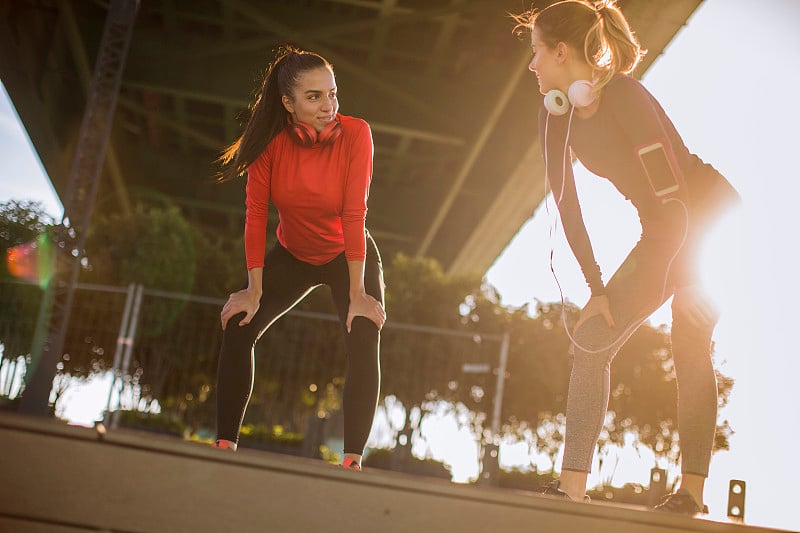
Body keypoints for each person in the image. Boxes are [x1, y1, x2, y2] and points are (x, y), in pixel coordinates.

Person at [514, 0, 740, 515]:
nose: (532, 65)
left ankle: (692, 494)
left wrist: (689, 281)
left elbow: (676, 192)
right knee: (593, 339)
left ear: (562, 51)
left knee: (688, 334)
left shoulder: (628, 98)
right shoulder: (557, 117)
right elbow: (568, 208)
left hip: (705, 216)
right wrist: (596, 289)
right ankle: (571, 488)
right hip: (662, 227)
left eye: (537, 52)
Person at [213, 45, 386, 472]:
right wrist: (253, 289)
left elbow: (354, 212)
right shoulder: (270, 146)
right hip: (291, 255)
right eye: (314, 97)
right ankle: (224, 448)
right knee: (240, 323)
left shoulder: (357, 133)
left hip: (347, 256)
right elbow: (255, 215)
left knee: (364, 331)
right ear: (288, 104)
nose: (329, 106)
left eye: (333, 93)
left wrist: (359, 292)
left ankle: (351, 461)